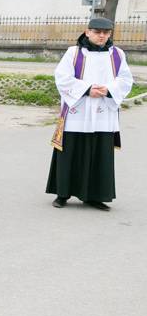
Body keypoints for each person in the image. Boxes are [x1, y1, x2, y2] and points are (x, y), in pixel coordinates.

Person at [46, 17, 133, 211]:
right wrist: (86, 90)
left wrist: (109, 89)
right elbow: (62, 77)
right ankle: (62, 193)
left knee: (99, 152)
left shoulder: (117, 54)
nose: (102, 36)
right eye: (97, 32)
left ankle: (95, 196)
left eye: (106, 33)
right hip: (78, 111)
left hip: (103, 111)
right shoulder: (74, 53)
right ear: (87, 32)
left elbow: (126, 80)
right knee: (70, 151)